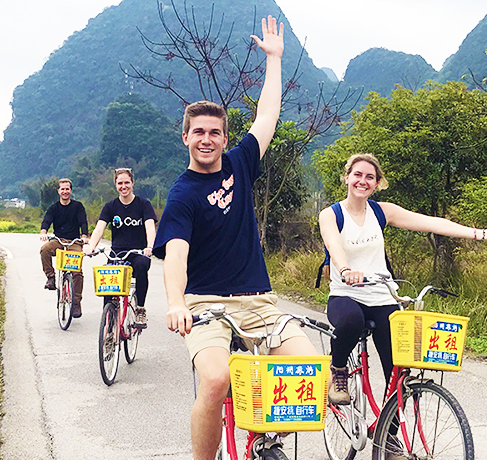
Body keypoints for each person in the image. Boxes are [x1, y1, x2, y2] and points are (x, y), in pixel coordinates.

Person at [152, 15, 318, 460]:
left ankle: (265, 439)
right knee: (215, 380)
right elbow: (175, 257)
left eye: (215, 132)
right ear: (185, 136)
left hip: (259, 301)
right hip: (205, 305)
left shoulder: (241, 163)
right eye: (199, 132)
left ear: (226, 138)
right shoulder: (182, 194)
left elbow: (268, 114)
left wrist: (275, 60)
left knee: (307, 370)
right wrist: (175, 303)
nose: (207, 140)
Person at [320, 153, 487, 405]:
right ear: (347, 178)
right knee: (351, 321)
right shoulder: (331, 214)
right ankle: (338, 370)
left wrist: (481, 234)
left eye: (370, 177)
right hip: (345, 294)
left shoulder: (382, 211)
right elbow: (333, 243)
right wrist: (346, 270)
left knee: (398, 372)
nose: (363, 181)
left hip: (382, 296)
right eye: (357, 175)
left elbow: (431, 223)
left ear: (377, 183)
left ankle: (388, 437)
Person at [86, 167, 157, 328]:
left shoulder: (144, 205)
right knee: (108, 280)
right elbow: (99, 228)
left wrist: (150, 246)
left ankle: (140, 309)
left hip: (138, 252)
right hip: (117, 253)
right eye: (119, 183)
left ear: (132, 183)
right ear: (115, 185)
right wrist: (91, 247)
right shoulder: (110, 207)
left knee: (140, 266)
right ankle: (109, 327)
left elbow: (150, 227)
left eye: (126, 182)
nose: (123, 186)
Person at [40, 178, 89, 318]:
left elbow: (83, 222)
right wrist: (44, 231)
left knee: (77, 272)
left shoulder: (78, 206)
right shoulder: (54, 208)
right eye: (62, 189)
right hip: (58, 240)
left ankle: (76, 302)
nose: (65, 191)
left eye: (67, 189)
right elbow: (47, 220)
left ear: (71, 191)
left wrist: (84, 235)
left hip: (74, 241)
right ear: (58, 191)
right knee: (44, 250)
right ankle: (50, 277)